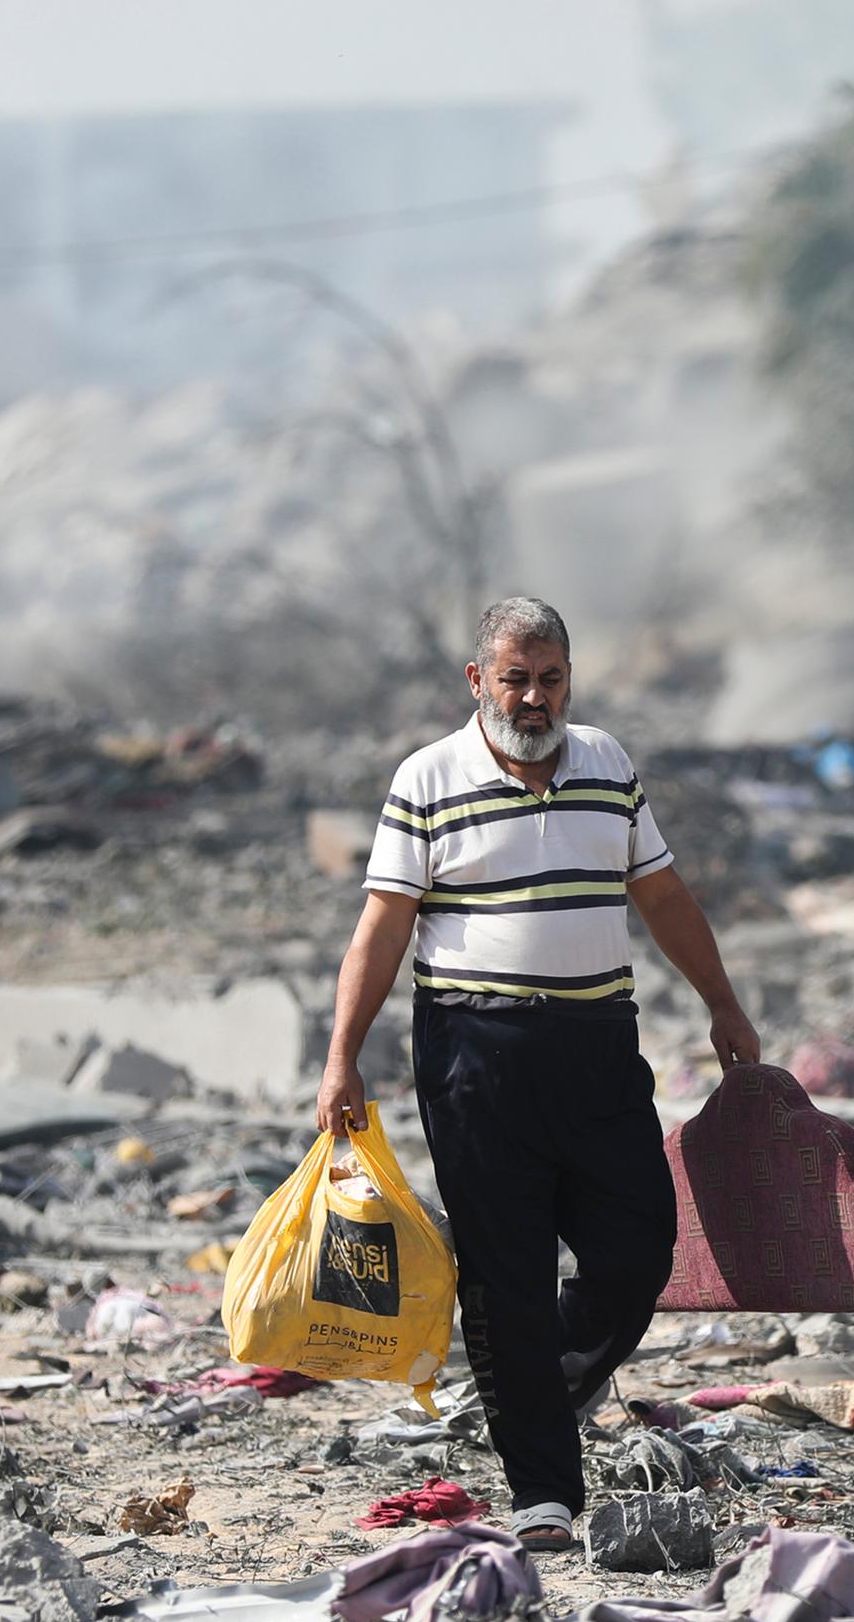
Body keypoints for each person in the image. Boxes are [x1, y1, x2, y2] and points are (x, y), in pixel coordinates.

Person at [313, 596, 760, 1555]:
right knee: (506, 1272)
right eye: (514, 678)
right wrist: (343, 1055)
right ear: (478, 681)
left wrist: (723, 1003)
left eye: (549, 677)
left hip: (599, 1043)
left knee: (636, 1253)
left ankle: (525, 1390)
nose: (533, 697)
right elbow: (383, 927)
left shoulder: (607, 763)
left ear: (570, 677)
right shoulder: (427, 780)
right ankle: (543, 1492)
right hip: (477, 1052)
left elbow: (663, 895)